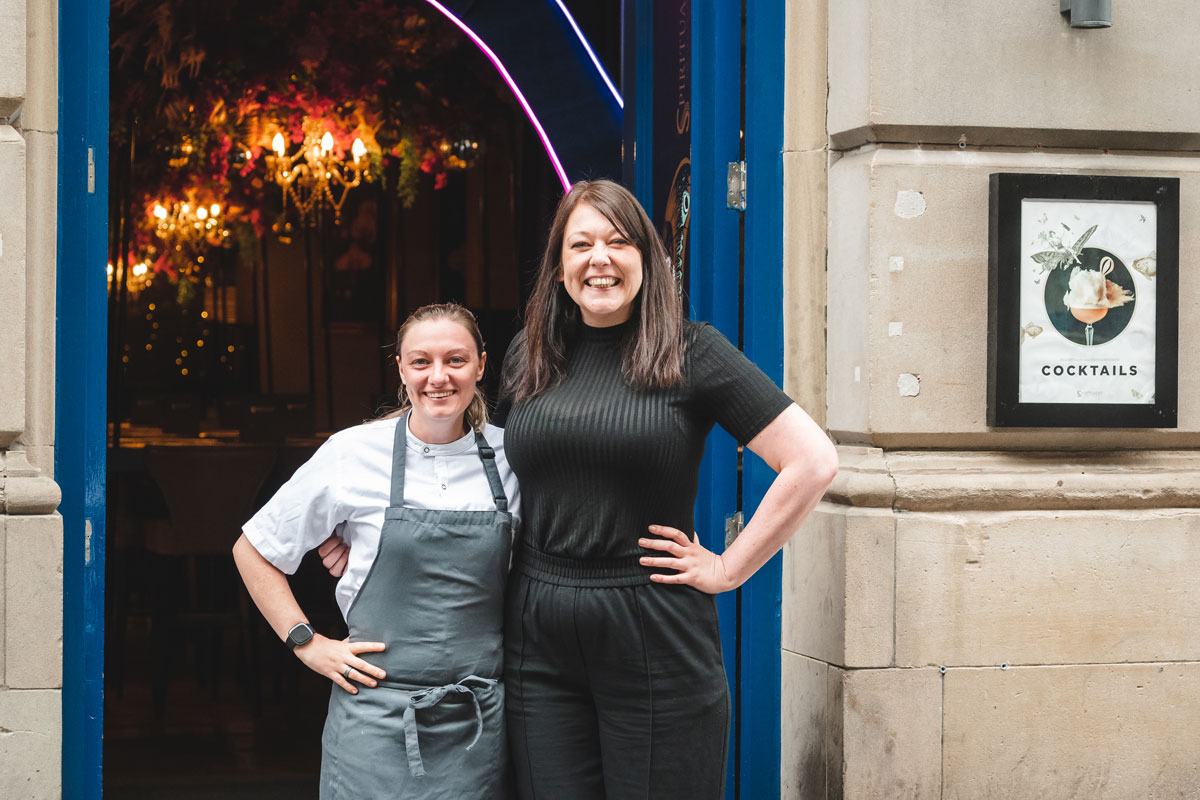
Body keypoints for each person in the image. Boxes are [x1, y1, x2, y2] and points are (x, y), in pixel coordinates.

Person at [320, 179, 839, 800]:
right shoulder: (531, 356)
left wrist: (728, 568)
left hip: (654, 631)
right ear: (560, 266)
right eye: (581, 244)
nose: (600, 259)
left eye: (619, 242)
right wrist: (364, 526)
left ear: (647, 258)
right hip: (537, 632)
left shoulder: (693, 352)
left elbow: (812, 461)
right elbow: (450, 435)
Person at [232, 303, 520, 800]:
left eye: (455, 360)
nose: (438, 377)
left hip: (477, 723)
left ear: (480, 365)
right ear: (401, 370)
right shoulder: (352, 453)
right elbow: (254, 549)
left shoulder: (515, 454)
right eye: (421, 362)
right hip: (373, 721)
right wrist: (307, 643)